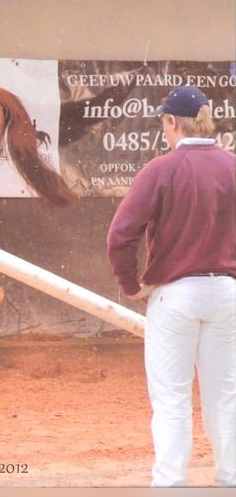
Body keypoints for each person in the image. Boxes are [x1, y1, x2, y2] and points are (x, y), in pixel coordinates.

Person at [107, 85, 236, 487]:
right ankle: (231, 478)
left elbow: (119, 236)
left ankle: (169, 483)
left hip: (175, 295)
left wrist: (131, 285)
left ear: (170, 122)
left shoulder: (161, 169)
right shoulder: (232, 166)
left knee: (171, 398)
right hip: (227, 293)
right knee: (226, 395)